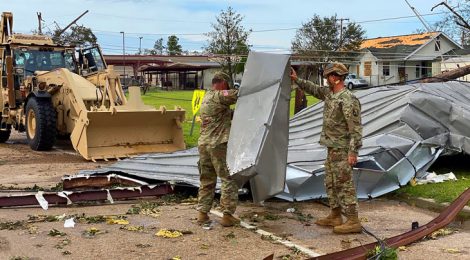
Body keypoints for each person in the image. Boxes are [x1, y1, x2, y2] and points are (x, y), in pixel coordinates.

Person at [290, 63, 363, 234]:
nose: (326, 80)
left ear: (335, 77)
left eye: (328, 77)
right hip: (332, 149)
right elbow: (314, 89)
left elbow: (356, 129)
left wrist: (353, 152)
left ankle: (353, 220)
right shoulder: (331, 94)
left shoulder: (348, 99)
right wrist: (296, 80)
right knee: (331, 183)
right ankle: (335, 215)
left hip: (343, 150)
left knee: (345, 185)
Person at [196, 71, 240, 227]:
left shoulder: (207, 96)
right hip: (218, 144)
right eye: (227, 85)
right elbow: (239, 94)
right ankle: (227, 215)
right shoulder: (220, 95)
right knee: (228, 178)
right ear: (222, 83)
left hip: (203, 144)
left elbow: (223, 114)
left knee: (207, 180)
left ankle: (202, 214)